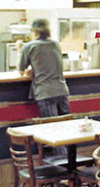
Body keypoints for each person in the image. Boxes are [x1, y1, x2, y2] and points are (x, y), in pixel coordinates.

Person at [19, 18, 71, 158]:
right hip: (62, 90)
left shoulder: (29, 46)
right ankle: (71, 163)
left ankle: (62, 164)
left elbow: (21, 70)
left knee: (54, 132)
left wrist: (21, 52)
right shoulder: (56, 44)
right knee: (68, 131)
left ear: (34, 32)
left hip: (45, 92)